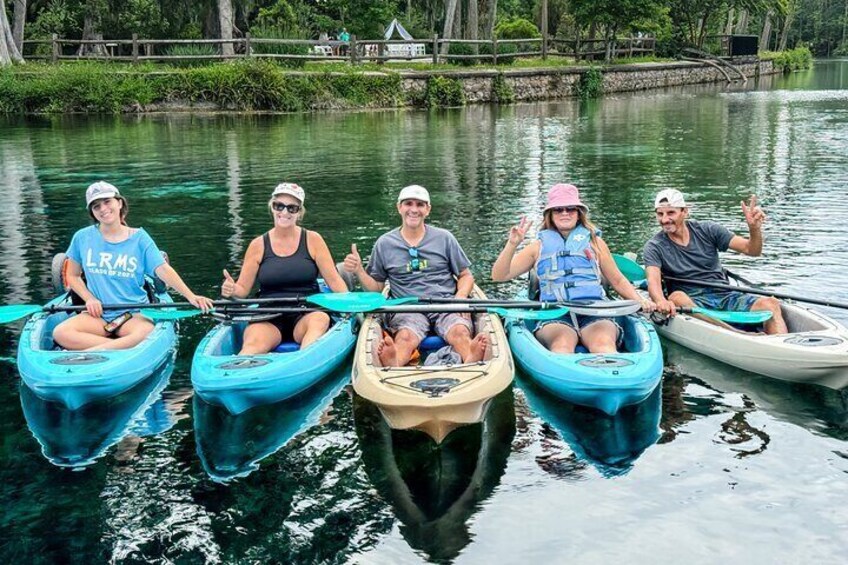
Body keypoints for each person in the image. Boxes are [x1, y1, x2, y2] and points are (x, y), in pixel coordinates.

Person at [491, 183, 655, 354]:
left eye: (570, 208)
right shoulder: (537, 247)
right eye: (558, 209)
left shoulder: (595, 243)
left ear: (578, 213)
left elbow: (618, 280)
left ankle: (612, 376)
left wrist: (639, 300)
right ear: (550, 215)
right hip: (554, 313)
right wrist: (512, 244)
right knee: (562, 345)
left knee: (603, 345)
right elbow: (499, 276)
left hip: (595, 309)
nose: (565, 213)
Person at [53, 182, 213, 351]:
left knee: (146, 333)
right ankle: (118, 347)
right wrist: (89, 299)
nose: (103, 209)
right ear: (92, 212)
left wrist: (191, 296)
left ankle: (96, 350)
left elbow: (163, 269)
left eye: (107, 202)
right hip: (98, 315)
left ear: (119, 203)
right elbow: (73, 276)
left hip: (133, 315)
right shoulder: (82, 237)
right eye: (96, 206)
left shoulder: (140, 238)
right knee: (61, 332)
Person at [344, 184, 488, 366]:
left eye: (420, 205)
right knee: (405, 336)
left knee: (459, 331)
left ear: (427, 209)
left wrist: (460, 297)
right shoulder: (384, 243)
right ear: (399, 207)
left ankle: (471, 357)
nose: (414, 209)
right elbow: (377, 288)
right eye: (408, 204)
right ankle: (394, 361)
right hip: (407, 306)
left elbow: (465, 275)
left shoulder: (444, 238)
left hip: (445, 302)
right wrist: (359, 271)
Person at [221, 183, 350, 355]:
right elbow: (242, 290)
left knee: (320, 319)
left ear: (299, 212)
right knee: (252, 345)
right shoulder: (257, 245)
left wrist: (351, 307)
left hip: (305, 312)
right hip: (268, 315)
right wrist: (231, 289)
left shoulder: (313, 240)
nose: (284, 212)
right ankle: (240, 370)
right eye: (279, 206)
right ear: (272, 207)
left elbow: (333, 280)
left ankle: (306, 359)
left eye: (292, 208)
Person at [643, 188, 787, 334]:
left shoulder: (708, 230)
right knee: (676, 297)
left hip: (725, 295)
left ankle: (783, 349)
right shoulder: (654, 246)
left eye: (670, 213)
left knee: (771, 303)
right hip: (691, 301)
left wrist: (754, 229)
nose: (664, 219)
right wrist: (661, 301)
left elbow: (752, 250)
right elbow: (653, 281)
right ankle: (738, 334)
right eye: (660, 214)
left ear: (685, 212)